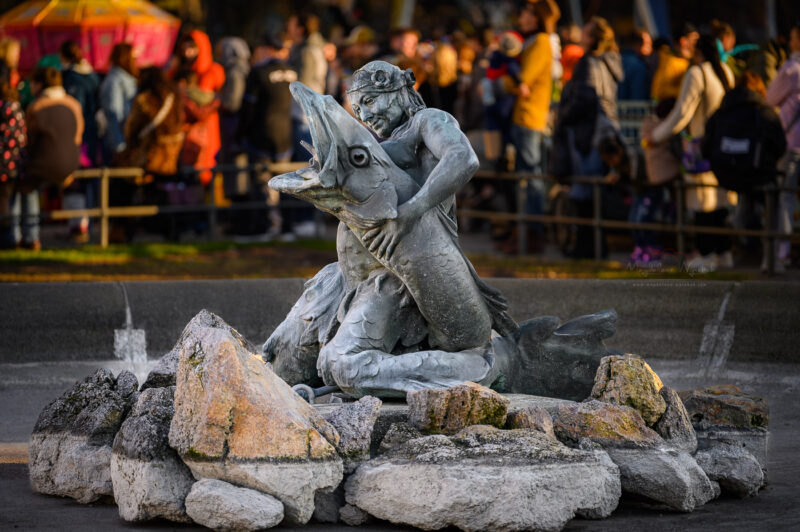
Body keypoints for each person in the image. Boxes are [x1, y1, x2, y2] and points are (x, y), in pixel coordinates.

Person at [645, 35, 736, 272]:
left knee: (701, 203)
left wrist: (657, 135)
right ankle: (724, 253)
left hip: (700, 147)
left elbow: (682, 113)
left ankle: (706, 254)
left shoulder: (697, 73)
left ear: (697, 53)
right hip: (723, 146)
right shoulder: (726, 71)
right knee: (720, 203)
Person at [558, 16, 624, 259]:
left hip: (587, 132)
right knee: (595, 191)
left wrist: (565, 113)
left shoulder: (588, 63)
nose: (581, 37)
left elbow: (584, 97)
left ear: (593, 38)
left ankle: (587, 246)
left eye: (585, 33)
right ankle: (597, 244)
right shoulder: (611, 61)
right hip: (605, 128)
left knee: (585, 190)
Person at [505, 0, 556, 254]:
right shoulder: (532, 41)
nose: (521, 17)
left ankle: (533, 235)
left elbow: (523, 81)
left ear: (536, 17)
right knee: (524, 175)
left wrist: (505, 79)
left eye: (525, 13)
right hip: (524, 116)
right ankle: (524, 233)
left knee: (530, 177)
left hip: (529, 117)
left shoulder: (540, 42)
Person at [237, 33, 296, 236]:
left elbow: (248, 108)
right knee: (286, 184)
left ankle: (264, 227)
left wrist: (241, 133)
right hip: (285, 136)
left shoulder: (258, 72)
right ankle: (287, 227)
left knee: (261, 184)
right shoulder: (292, 72)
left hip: (260, 136)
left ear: (266, 49)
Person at [22, 66, 84, 250]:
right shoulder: (73, 104)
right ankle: (79, 225)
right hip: (72, 161)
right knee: (74, 183)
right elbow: (78, 135)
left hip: (42, 163)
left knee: (27, 186)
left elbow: (29, 141)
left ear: (40, 84)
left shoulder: (36, 106)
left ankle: (31, 236)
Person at [765, 22, 800, 268]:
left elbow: (770, 98)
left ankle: (783, 252)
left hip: (791, 143)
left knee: (785, 197)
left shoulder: (791, 70)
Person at [170, 30, 225, 185]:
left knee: (205, 168)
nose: (188, 53)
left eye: (192, 48)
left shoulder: (213, 71)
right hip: (182, 128)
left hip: (206, 128)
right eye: (185, 48)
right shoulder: (177, 71)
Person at [0, 61, 27, 250]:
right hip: (11, 163)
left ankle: (8, 239)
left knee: (4, 203)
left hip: (6, 163)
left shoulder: (7, 106)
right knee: (6, 202)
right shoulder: (12, 105)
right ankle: (9, 238)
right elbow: (20, 137)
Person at [101, 43, 138, 161]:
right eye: (133, 57)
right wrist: (119, 146)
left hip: (127, 140)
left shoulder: (126, 79)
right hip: (119, 142)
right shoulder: (115, 81)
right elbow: (113, 115)